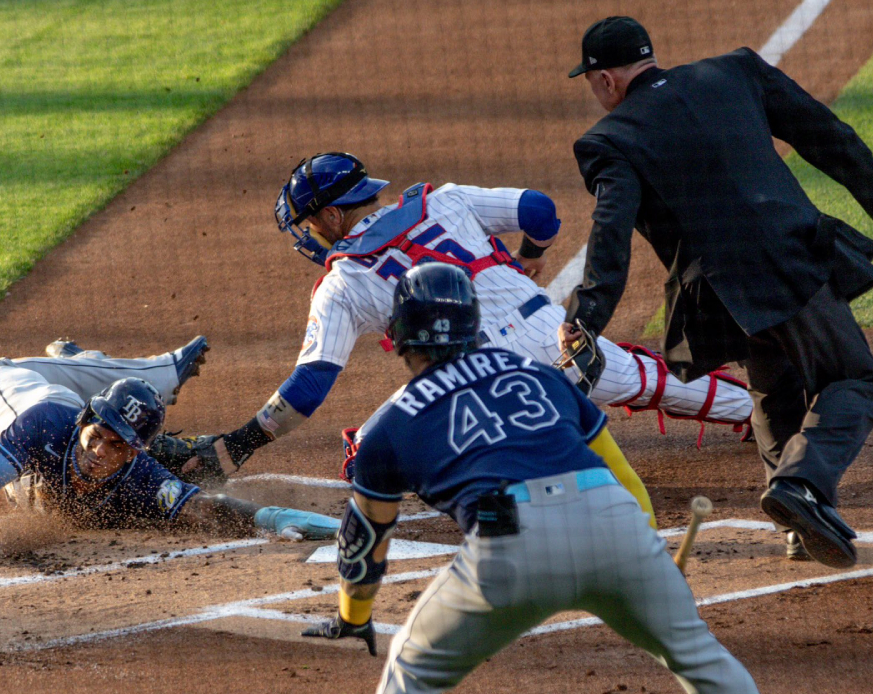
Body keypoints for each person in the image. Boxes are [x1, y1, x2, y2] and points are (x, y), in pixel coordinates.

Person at [185, 152, 757, 523]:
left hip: (477, 385)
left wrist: (237, 444)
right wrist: (529, 259)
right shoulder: (441, 200)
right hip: (561, 343)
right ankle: (765, 411)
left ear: (333, 217)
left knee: (366, 453)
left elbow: (309, 386)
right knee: (647, 381)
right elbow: (539, 210)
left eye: (310, 223)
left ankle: (503, 489)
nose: (309, 236)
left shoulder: (344, 281)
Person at [563, 16, 873, 567]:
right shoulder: (735, 72)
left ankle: (799, 525)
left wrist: (585, 315)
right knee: (852, 379)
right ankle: (801, 488)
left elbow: (609, 230)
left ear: (605, 79)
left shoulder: (608, 140)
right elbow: (818, 129)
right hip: (786, 259)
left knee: (772, 389)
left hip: (714, 294)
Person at [300, 264, 758, 694]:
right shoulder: (540, 375)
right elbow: (622, 477)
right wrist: (648, 549)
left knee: (410, 668)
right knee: (701, 660)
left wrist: (353, 615)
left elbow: (363, 539)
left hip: (512, 541)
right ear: (472, 321)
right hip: (613, 521)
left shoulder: (389, 429)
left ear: (398, 335)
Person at [0, 339, 338, 564]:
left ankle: (87, 364)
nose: (97, 450)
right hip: (12, 387)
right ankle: (152, 368)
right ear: (85, 422)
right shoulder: (43, 425)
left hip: (101, 422)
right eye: (95, 435)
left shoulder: (142, 472)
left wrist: (270, 517)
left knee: (181, 466)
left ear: (133, 454)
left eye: (116, 446)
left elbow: (203, 507)